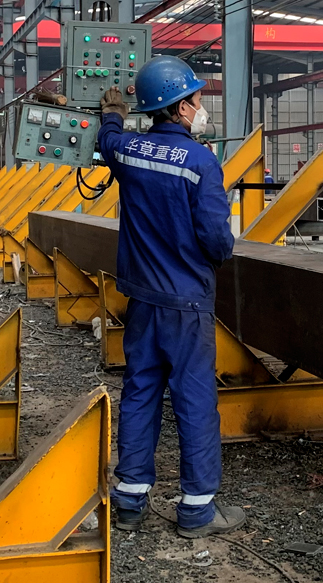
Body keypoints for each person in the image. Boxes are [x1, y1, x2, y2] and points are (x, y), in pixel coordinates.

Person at [98, 55, 244, 539]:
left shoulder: (127, 151)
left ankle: (129, 499)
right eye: (197, 99)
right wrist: (213, 256)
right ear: (182, 109)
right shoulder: (201, 162)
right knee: (194, 399)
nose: (201, 107)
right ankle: (197, 510)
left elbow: (107, 139)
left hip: (143, 300)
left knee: (140, 391)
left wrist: (111, 112)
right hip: (187, 304)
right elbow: (217, 240)